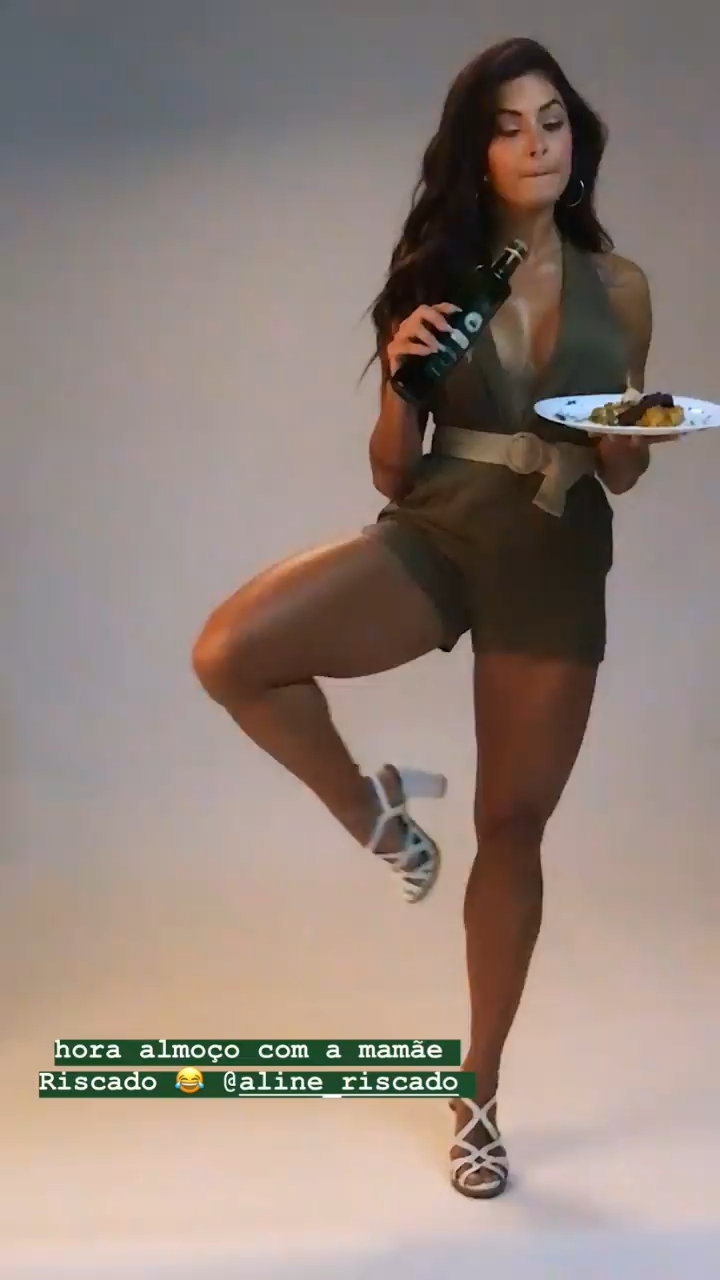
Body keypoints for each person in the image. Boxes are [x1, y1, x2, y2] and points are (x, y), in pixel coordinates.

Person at [192, 37, 676, 1199]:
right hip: (442, 526)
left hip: (554, 555)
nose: (535, 142)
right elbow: (392, 470)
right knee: (234, 651)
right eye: (508, 127)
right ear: (477, 153)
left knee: (512, 825)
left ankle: (478, 1092)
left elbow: (623, 470)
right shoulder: (441, 275)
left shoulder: (620, 287)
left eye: (551, 119)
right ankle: (378, 814)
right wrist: (401, 375)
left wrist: (627, 426)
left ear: (576, 137)